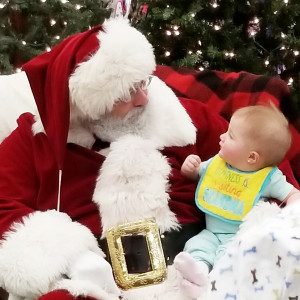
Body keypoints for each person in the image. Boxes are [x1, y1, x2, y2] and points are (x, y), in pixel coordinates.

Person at [0, 17, 299, 300]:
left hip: (196, 266)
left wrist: (254, 240)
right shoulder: (33, 141)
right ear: (87, 103)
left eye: (143, 82)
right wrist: (69, 256)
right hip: (92, 275)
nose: (143, 98)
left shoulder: (183, 117)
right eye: (125, 94)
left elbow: (263, 163)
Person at [174, 104, 300, 299]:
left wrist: (291, 216)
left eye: (231, 135)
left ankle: (211, 285)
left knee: (228, 260)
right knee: (196, 245)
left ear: (252, 157)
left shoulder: (269, 178)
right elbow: (198, 175)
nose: (222, 136)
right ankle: (198, 272)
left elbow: (292, 194)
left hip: (237, 238)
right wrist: (190, 168)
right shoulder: (219, 162)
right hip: (211, 232)